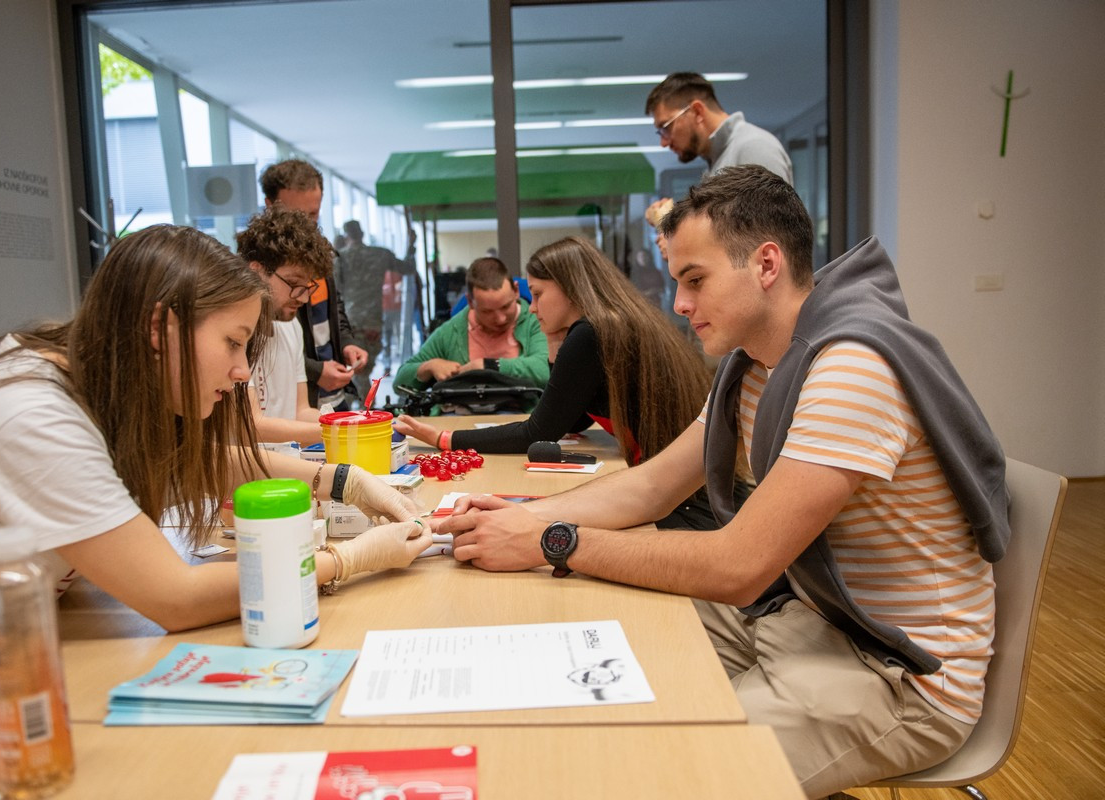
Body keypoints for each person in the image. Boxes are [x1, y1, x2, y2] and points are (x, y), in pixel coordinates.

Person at [437, 166, 1009, 799]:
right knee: (593, 633)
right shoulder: (758, 362)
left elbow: (739, 566)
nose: (680, 304)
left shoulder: (851, 370)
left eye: (695, 280)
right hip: (814, 619)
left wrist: (556, 542)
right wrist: (533, 517)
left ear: (766, 264)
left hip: (899, 675)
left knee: (663, 778)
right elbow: (653, 486)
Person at [0, 224, 432, 667]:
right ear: (160, 327)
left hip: (12, 643)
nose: (241, 369)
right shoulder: (30, 416)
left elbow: (207, 462)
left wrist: (346, 481)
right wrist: (347, 559)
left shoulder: (98, 379)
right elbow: (174, 598)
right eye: (231, 341)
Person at [397, 237, 724, 530]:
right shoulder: (610, 322)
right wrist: (555, 346)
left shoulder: (590, 334)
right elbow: (574, 415)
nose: (533, 307)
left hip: (683, 507)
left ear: (570, 288)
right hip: (688, 490)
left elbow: (539, 431)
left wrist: (444, 438)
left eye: (537, 295)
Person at [644, 72, 794, 258]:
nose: (664, 143)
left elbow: (769, 246)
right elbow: (731, 230)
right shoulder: (718, 162)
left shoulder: (753, 148)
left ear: (697, 112)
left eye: (665, 127)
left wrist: (680, 247)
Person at [260, 159, 367, 409]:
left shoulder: (320, 252)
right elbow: (269, 343)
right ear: (270, 206)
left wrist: (347, 343)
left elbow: (333, 305)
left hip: (334, 394)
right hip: (296, 400)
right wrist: (315, 370)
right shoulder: (263, 269)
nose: (306, 224)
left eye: (313, 214)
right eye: (294, 214)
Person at [236, 204, 333, 445]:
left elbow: (300, 411)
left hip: (286, 468)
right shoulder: (234, 333)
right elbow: (251, 425)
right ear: (257, 271)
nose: (303, 297)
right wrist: (338, 432)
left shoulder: (291, 325)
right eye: (293, 283)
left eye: (308, 286)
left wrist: (355, 421)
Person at [392, 256, 548, 404]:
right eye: (487, 312)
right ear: (470, 302)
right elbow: (399, 384)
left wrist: (488, 366)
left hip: (521, 422)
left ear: (516, 291)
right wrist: (428, 367)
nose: (500, 319)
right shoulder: (451, 331)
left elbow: (544, 371)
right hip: (456, 422)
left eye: (505, 306)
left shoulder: (536, 323)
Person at [337, 219, 416, 395]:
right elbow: (408, 268)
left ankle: (362, 407)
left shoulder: (340, 257)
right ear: (362, 234)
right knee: (364, 369)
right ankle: (366, 408)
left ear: (346, 236)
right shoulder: (381, 254)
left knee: (355, 368)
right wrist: (411, 246)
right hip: (373, 322)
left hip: (349, 322)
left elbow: (335, 288)